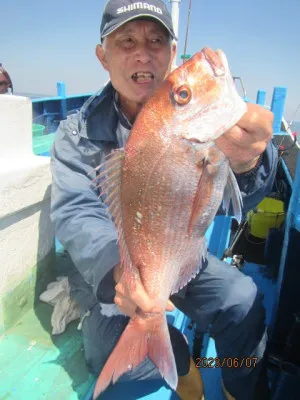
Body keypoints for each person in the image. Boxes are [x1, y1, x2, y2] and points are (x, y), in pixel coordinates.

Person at [50, 0, 277, 399]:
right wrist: (118, 271)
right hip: (119, 268)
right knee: (113, 359)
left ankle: (236, 386)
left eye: (157, 39)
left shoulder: (205, 129)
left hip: (180, 250)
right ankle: (182, 360)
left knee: (243, 301)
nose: (143, 51)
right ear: (103, 57)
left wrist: (253, 160)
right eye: (126, 40)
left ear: (172, 54)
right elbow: (75, 211)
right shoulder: (76, 134)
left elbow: (237, 199)